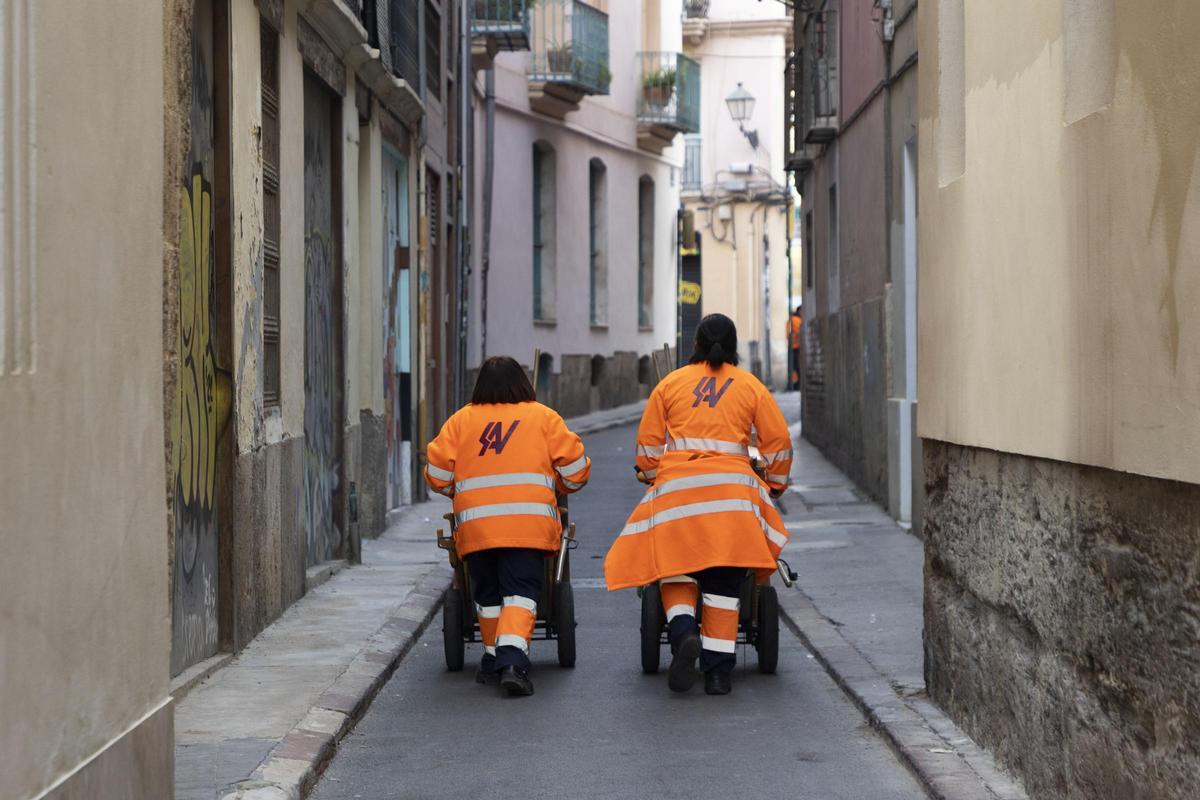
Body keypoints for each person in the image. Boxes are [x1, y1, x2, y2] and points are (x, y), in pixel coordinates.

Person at [604, 314, 792, 695]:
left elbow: (648, 449)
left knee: (675, 570)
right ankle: (719, 673)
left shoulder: (670, 384)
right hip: (732, 499)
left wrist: (649, 471)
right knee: (723, 584)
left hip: (679, 495)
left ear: (696, 346)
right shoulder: (750, 386)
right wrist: (775, 483)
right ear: (734, 346)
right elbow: (778, 442)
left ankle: (685, 632)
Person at [425, 356, 590, 697]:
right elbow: (576, 472)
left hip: (477, 529)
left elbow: (438, 475)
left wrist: (458, 489)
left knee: (487, 595)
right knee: (520, 592)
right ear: (523, 384)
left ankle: (491, 659)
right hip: (527, 526)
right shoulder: (543, 418)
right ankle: (512, 662)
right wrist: (557, 484)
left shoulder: (460, 421)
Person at [787, 306, 804, 391]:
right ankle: (796, 384)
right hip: (796, 347)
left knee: (794, 367)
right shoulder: (797, 320)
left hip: (792, 347)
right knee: (796, 367)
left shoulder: (791, 320)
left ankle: (794, 384)